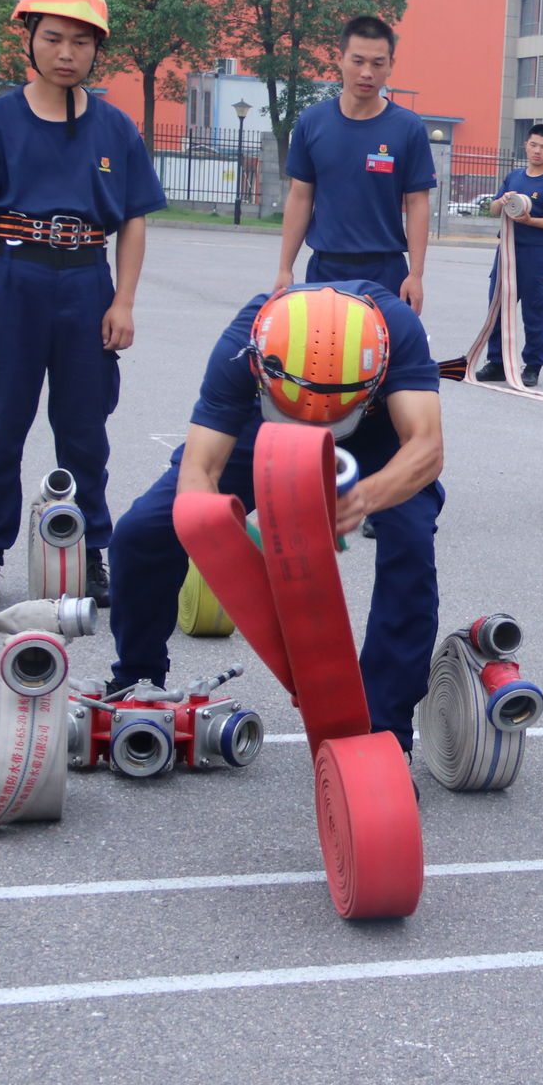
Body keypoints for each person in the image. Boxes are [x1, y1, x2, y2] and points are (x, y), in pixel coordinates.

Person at [104, 282, 445, 755]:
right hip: (266, 422)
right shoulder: (246, 339)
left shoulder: (396, 332)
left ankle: (385, 731)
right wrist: (226, 550)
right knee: (141, 533)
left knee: (409, 547)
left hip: (374, 432)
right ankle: (137, 679)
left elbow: (425, 449)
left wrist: (359, 500)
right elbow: (199, 473)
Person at [0, 0, 164, 611]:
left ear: (97, 49)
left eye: (83, 42)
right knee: (0, 426)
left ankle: (90, 552)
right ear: (29, 38)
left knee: (84, 429)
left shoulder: (117, 130)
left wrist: (122, 300)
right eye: (55, 37)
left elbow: (135, 222)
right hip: (13, 278)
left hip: (87, 281)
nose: (68, 53)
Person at [274, 16, 436, 310]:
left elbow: (417, 203)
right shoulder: (312, 122)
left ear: (390, 65)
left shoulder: (407, 127)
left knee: (387, 355)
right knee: (320, 356)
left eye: (377, 63)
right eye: (357, 61)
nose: (366, 73)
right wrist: (285, 268)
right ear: (340, 59)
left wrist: (416, 274)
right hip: (325, 270)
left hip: (385, 272)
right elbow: (300, 196)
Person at [474, 123, 543, 388]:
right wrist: (502, 201)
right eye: (533, 145)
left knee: (534, 311)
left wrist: (531, 221)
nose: (537, 151)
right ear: (525, 145)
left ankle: (533, 365)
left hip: (535, 255)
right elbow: (493, 209)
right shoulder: (514, 177)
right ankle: (497, 362)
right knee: (498, 308)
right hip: (505, 251)